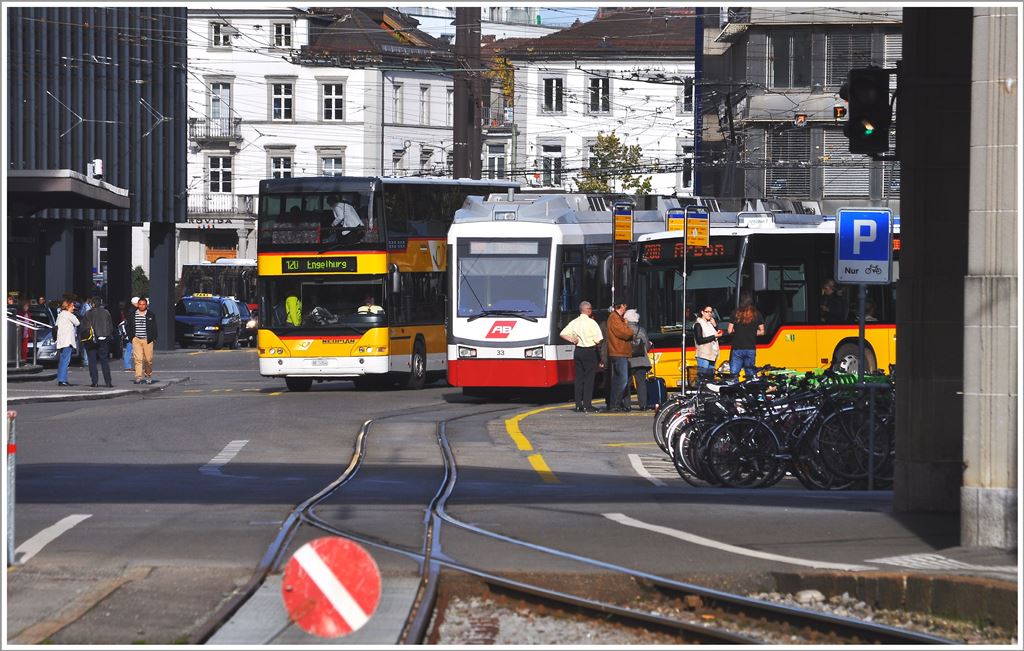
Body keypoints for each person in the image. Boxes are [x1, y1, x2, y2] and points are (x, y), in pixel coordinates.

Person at [559, 301, 603, 413]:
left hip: (578, 351)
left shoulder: (574, 322)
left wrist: (572, 339)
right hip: (589, 352)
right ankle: (587, 405)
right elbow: (598, 340)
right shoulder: (592, 323)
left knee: (579, 378)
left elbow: (562, 333)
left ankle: (578, 405)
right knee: (589, 379)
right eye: (591, 309)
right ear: (588, 310)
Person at [603, 301, 635, 412]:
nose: (626, 308)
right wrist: (628, 328)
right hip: (618, 352)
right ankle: (614, 404)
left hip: (620, 352)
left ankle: (616, 403)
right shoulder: (614, 318)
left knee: (618, 379)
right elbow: (625, 333)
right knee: (622, 380)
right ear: (621, 306)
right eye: (625, 305)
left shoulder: (617, 318)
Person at [727, 291, 765, 381]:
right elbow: (762, 331)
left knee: (734, 374)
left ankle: (736, 391)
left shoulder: (735, 313)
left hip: (737, 348)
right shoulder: (757, 314)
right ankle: (749, 391)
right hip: (750, 348)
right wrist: (751, 332)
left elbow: (729, 330)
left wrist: (738, 331)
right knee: (750, 374)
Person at [81, 297, 114, 388]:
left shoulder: (88, 314)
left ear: (92, 304)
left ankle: (94, 382)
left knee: (92, 361)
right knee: (104, 361)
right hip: (104, 338)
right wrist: (108, 336)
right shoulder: (106, 313)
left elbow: (84, 328)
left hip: (92, 340)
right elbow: (110, 326)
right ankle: (108, 382)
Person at [624, 309, 653, 411]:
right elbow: (647, 346)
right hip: (641, 360)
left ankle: (627, 405)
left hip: (628, 360)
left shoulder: (624, 329)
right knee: (641, 383)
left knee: (626, 383)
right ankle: (643, 405)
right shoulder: (641, 330)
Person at [126, 296, 158, 385]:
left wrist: (154, 338)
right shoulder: (132, 314)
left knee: (148, 359)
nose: (141, 306)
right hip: (136, 339)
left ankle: (148, 375)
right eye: (140, 304)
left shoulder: (150, 314)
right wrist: (131, 337)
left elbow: (154, 327)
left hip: (147, 339)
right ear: (137, 305)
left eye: (143, 304)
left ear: (146, 305)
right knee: (138, 359)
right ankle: (138, 377)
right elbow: (128, 326)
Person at [54, 298, 80, 386]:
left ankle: (61, 378)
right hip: (68, 341)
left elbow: (56, 325)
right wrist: (74, 314)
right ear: (68, 306)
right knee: (66, 361)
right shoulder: (69, 315)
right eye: (72, 306)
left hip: (61, 341)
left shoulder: (60, 315)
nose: (73, 308)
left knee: (62, 360)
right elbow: (77, 323)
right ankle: (62, 380)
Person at [693, 305, 722, 382]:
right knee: (703, 378)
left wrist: (715, 325)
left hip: (712, 354)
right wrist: (714, 336)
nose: (709, 314)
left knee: (710, 378)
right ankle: (701, 392)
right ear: (702, 312)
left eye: (711, 312)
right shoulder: (698, 324)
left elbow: (716, 334)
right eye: (707, 312)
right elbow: (699, 340)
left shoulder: (710, 324)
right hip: (704, 355)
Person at [121, 297, 139, 371]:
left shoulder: (129, 310)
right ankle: (128, 366)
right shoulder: (134, 311)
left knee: (129, 349)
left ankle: (128, 365)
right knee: (130, 350)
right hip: (132, 333)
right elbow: (133, 324)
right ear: (135, 303)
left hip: (130, 333)